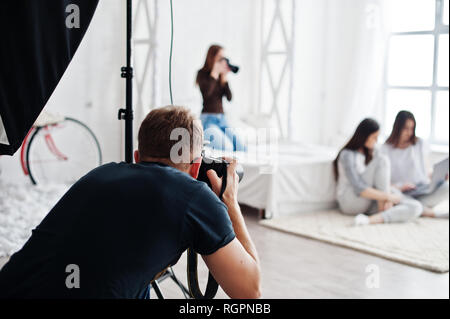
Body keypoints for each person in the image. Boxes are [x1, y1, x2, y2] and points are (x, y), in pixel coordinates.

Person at [0, 106, 261, 299]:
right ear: (195, 168)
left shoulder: (100, 174)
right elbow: (250, 293)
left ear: (137, 156)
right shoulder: (194, 197)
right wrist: (230, 202)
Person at [333, 118, 423, 226]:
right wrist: (387, 197)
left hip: (369, 199)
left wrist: (390, 193)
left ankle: (370, 220)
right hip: (351, 201)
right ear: (364, 136)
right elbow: (359, 188)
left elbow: (380, 180)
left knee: (415, 206)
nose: (376, 141)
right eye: (374, 137)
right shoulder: (347, 155)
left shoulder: (371, 152)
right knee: (383, 160)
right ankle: (383, 208)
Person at [381, 110, 449, 218]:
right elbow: (383, 181)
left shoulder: (419, 144)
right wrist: (400, 187)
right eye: (406, 129)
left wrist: (440, 178)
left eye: (412, 129)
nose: (409, 133)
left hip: (422, 189)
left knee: (446, 187)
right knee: (393, 195)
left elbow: (427, 172)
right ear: (397, 128)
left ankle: (413, 207)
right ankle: (426, 211)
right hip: (401, 192)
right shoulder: (385, 149)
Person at [196, 44, 246, 152]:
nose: (223, 60)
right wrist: (214, 72)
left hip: (222, 119)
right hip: (208, 119)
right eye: (220, 57)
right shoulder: (202, 74)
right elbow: (207, 93)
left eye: (224, 57)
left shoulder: (220, 77)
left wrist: (224, 78)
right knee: (226, 147)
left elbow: (229, 97)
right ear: (212, 57)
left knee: (242, 148)